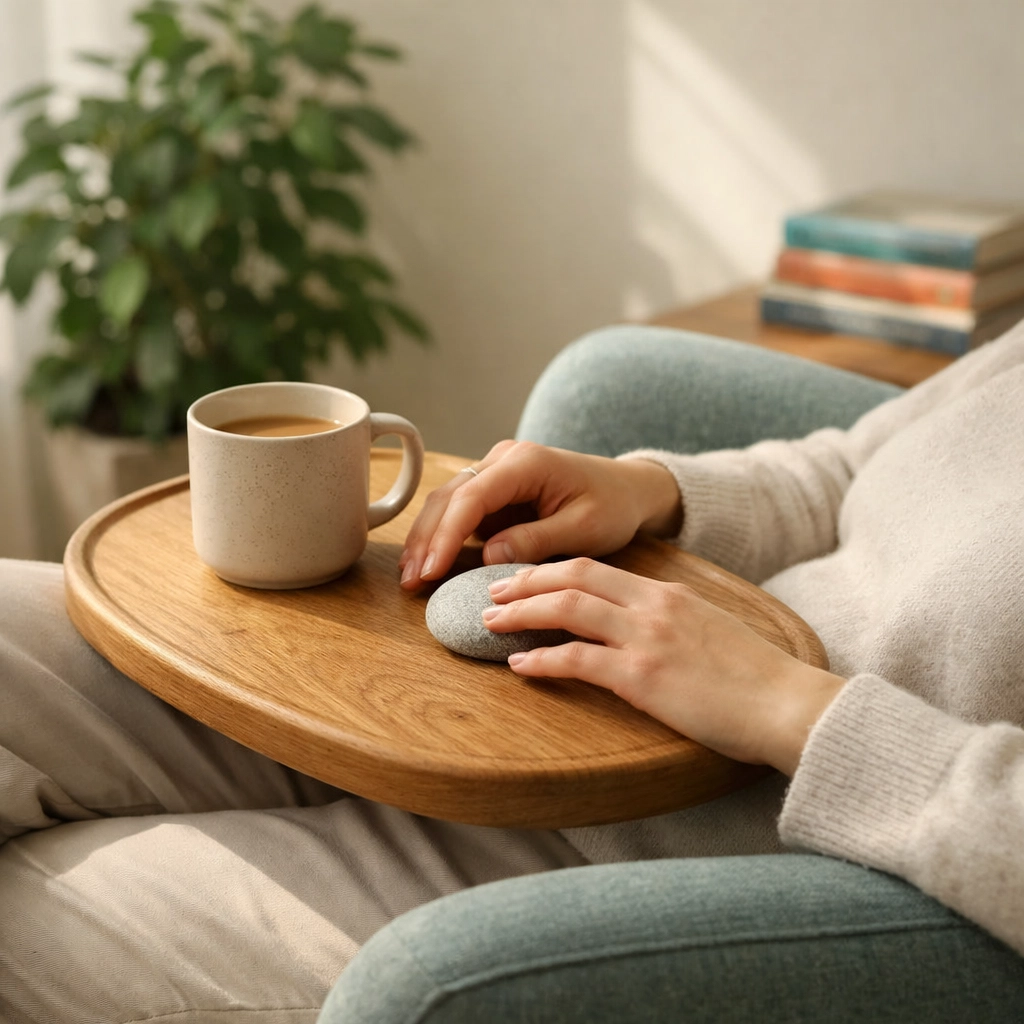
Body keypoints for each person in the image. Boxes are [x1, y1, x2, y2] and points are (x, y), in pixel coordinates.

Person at [2, 320, 1023, 1023]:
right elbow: (849, 467)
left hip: (670, 854)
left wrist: (786, 707)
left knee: (31, 911)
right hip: (526, 695)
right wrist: (651, 490)